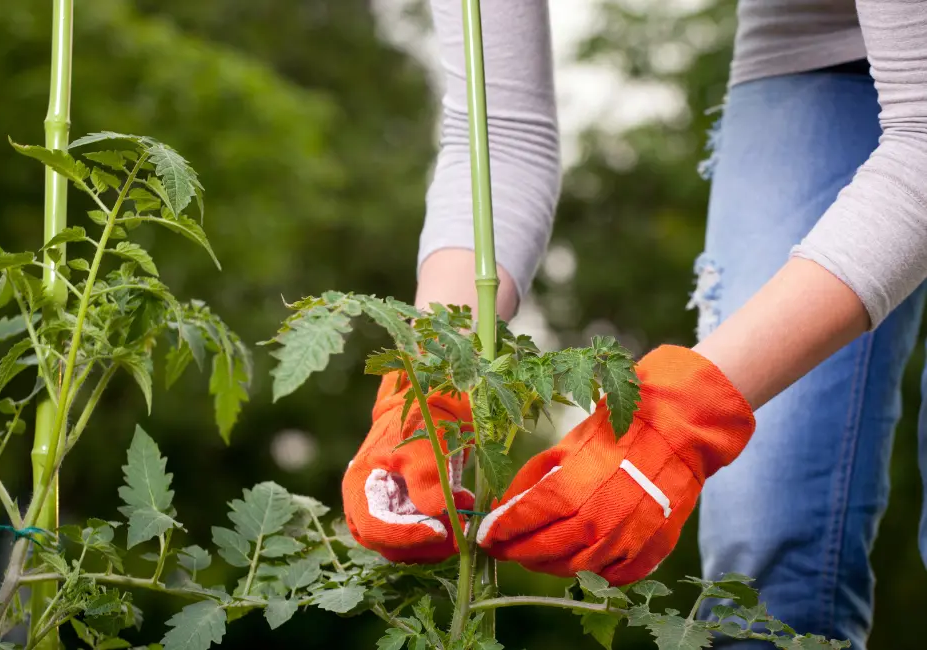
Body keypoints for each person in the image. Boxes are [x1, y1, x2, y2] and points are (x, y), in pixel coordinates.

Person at [340, 1, 927, 647]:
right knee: (767, 560)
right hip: (806, 37)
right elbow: (495, 133)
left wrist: (680, 418)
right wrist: (432, 376)